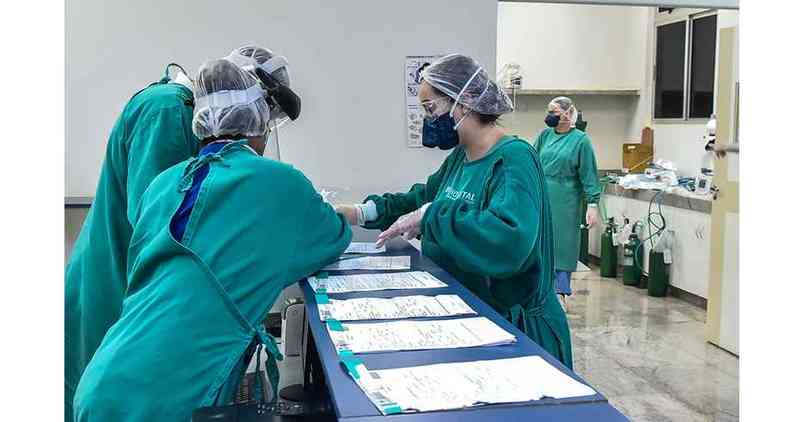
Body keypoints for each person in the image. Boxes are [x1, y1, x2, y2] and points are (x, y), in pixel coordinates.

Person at [73, 56, 351, 421]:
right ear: (260, 121)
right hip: (163, 399)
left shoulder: (163, 184)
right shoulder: (279, 181)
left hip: (102, 380)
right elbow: (333, 235)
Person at [336, 54, 573, 369]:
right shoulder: (461, 158)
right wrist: (358, 212)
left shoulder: (514, 159)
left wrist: (432, 215)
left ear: (465, 103)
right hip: (473, 314)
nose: (428, 120)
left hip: (517, 327)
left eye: (431, 108)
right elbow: (421, 199)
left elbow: (508, 239)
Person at [64, 61, 200, 421]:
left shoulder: (173, 108)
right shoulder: (168, 110)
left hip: (120, 276)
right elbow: (156, 219)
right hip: (113, 284)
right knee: (100, 400)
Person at [534, 97, 601, 307]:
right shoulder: (544, 136)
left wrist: (592, 204)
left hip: (567, 199)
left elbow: (589, 174)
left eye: (554, 112)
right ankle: (541, 290)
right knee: (540, 242)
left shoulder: (581, 140)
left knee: (563, 245)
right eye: (549, 111)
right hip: (542, 195)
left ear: (567, 114)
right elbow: (533, 161)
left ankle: (561, 292)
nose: (550, 116)